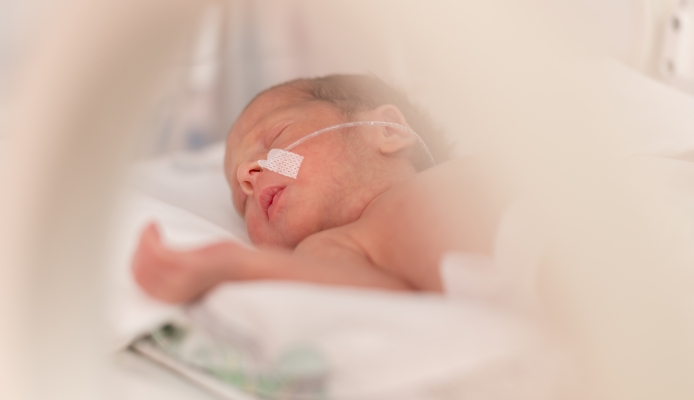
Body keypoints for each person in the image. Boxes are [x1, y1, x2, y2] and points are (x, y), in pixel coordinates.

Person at [132, 74, 517, 303]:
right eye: (240, 197)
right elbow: (368, 294)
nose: (250, 173)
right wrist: (233, 264)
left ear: (388, 131)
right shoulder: (339, 245)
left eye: (275, 138)